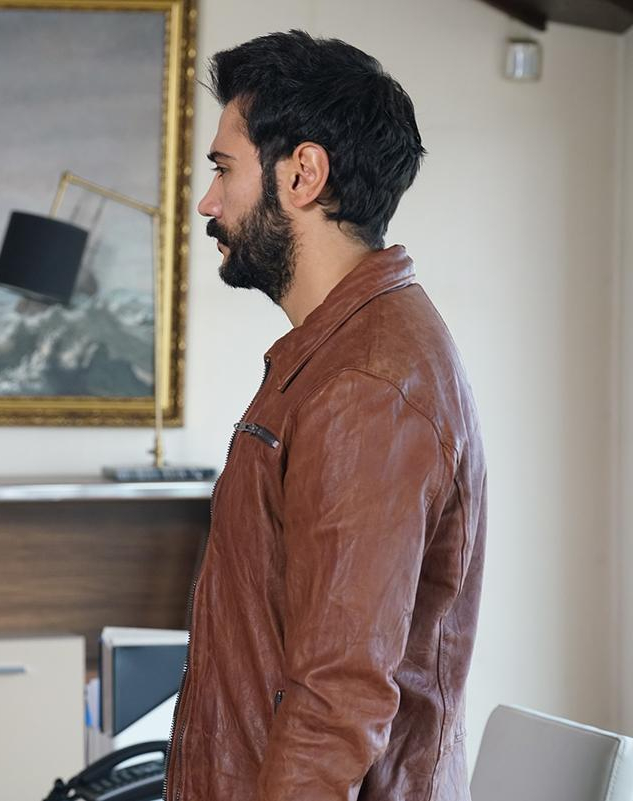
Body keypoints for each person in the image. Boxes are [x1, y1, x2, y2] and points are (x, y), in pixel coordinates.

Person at [165, 31, 486, 801]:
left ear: (302, 173)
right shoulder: (339, 354)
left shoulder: (365, 383)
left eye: (223, 169)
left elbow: (335, 700)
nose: (208, 202)